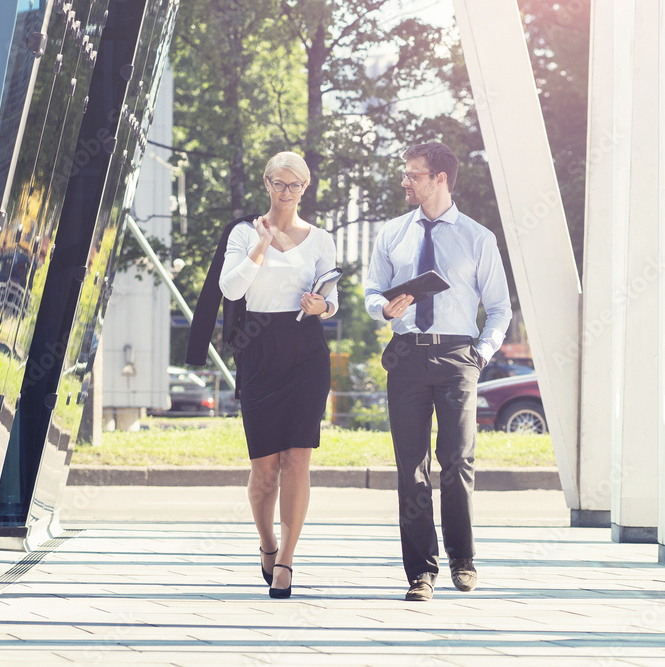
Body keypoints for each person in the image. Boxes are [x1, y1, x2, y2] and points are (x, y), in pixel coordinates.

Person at [364, 141, 512, 602]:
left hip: (457, 359)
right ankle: (420, 573)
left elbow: (501, 308)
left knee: (457, 461)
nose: (405, 181)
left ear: (439, 179)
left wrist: (482, 354)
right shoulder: (392, 233)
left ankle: (462, 559)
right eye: (406, 173)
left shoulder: (477, 237)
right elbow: (371, 292)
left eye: (413, 174)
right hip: (406, 356)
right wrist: (384, 309)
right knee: (410, 467)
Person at [198, 151, 338, 599]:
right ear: (266, 183)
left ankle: (287, 562)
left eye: (295, 185)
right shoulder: (242, 233)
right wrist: (261, 244)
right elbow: (231, 288)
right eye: (279, 183)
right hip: (258, 349)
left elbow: (331, 299)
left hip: (305, 350)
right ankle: (266, 544)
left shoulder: (321, 239)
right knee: (264, 471)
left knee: (297, 460)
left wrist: (323, 305)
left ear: (305, 188)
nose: (286, 192)